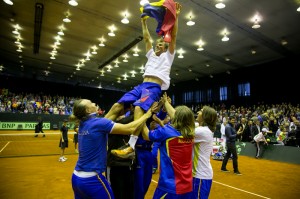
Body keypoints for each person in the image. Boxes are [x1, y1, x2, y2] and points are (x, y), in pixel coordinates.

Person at [106, 1, 181, 158]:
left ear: (165, 47)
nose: (157, 44)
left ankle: (131, 146)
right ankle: (98, 129)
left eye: (160, 43)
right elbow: (147, 38)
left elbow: (173, 36)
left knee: (139, 109)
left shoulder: (169, 56)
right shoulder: (151, 55)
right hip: (141, 86)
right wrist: (143, 21)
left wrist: (176, 18)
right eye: (157, 43)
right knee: (116, 106)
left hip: (153, 88)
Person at [70, 99, 155, 199]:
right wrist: (147, 115)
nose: (94, 103)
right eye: (91, 103)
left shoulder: (84, 124)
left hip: (76, 178)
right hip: (92, 179)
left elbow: (110, 114)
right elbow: (130, 128)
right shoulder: (98, 123)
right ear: (88, 110)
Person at [140, 92, 195, 198]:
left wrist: (143, 116)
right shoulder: (191, 133)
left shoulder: (167, 132)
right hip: (188, 187)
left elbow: (146, 135)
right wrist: (165, 104)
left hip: (169, 186)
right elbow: (179, 118)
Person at [192, 106, 218, 199]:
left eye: (201, 111)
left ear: (205, 116)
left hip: (200, 176)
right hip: (199, 174)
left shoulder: (202, 131)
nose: (198, 112)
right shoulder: (203, 129)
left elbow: (182, 132)